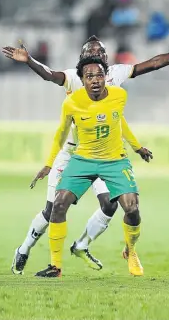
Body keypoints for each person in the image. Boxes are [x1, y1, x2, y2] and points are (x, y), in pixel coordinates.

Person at [2, 24, 169, 274]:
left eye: (100, 51)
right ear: (82, 59)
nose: (96, 54)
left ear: (106, 59)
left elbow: (154, 63)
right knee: (52, 208)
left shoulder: (116, 76)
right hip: (74, 152)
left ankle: (83, 245)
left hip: (106, 152)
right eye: (91, 51)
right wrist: (30, 60)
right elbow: (49, 75)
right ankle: (24, 249)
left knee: (111, 205)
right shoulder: (75, 77)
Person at [33, 56, 148, 277]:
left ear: (106, 77)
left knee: (132, 208)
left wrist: (137, 147)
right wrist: (48, 164)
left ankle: (130, 250)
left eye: (98, 75)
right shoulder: (72, 102)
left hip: (114, 160)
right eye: (89, 76)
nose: (95, 80)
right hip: (83, 159)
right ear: (82, 80)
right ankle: (55, 266)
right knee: (58, 204)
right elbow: (60, 135)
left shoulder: (119, 95)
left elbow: (120, 122)